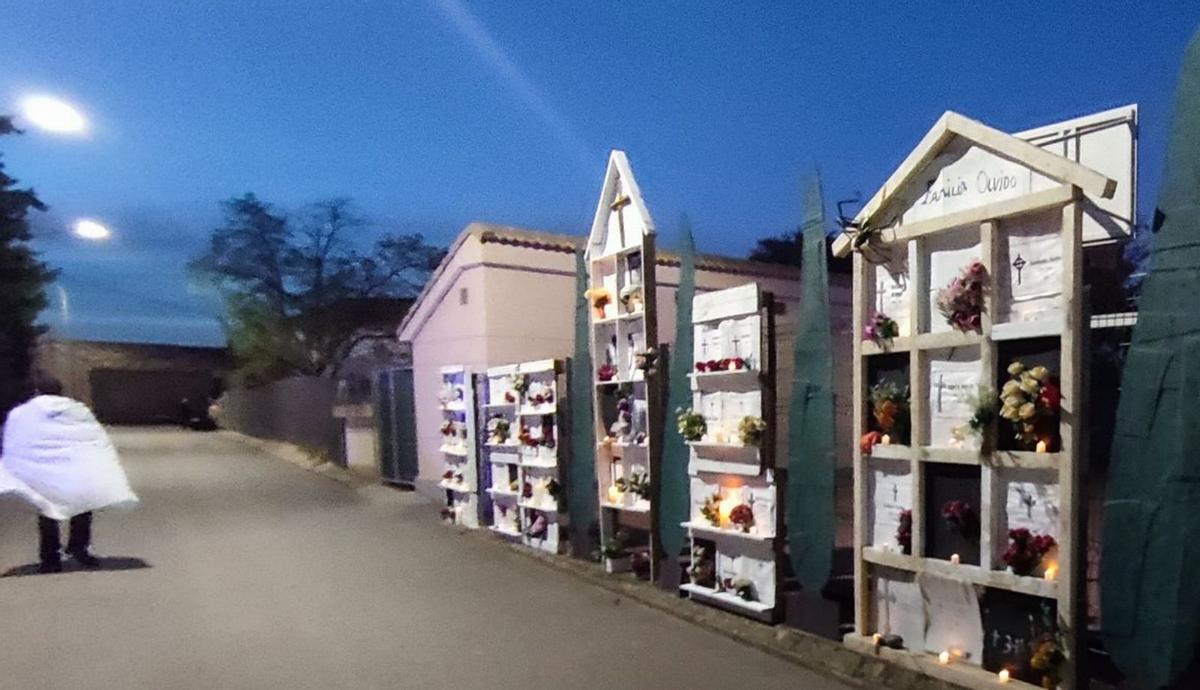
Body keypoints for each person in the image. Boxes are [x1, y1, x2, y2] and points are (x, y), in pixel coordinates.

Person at [0, 376, 138, 573]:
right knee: (82, 504)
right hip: (74, 467)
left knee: (47, 510)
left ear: (37, 391)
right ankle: (79, 547)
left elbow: (16, 440)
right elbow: (91, 436)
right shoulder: (77, 410)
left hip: (44, 471)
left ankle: (50, 558)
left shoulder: (22, 413)